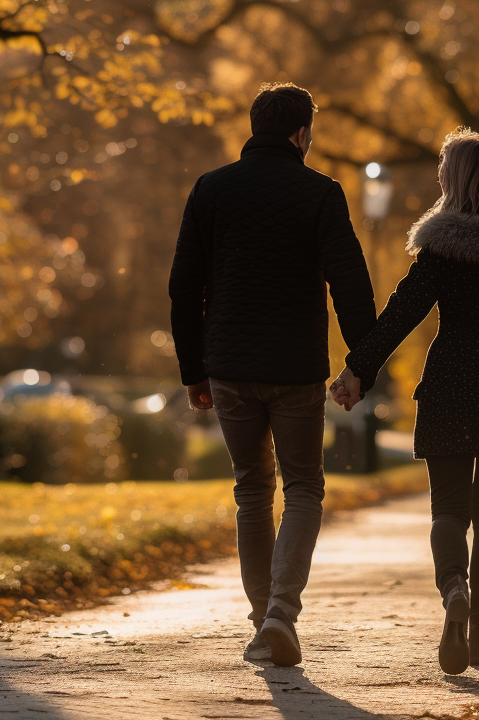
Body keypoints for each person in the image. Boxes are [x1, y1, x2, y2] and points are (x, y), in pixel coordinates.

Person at [331, 129, 479, 675]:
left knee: (449, 510)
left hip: (450, 383)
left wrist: (357, 369)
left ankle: (453, 588)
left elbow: (401, 311)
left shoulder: (442, 248)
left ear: (455, 180)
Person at [169, 82, 376, 667]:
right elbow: (350, 284)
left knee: (252, 491)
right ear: (302, 133)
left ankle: (265, 623)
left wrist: (194, 369)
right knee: (303, 486)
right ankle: (281, 614)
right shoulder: (320, 193)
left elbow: (185, 285)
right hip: (295, 368)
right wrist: (361, 365)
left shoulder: (211, 189)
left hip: (228, 364)